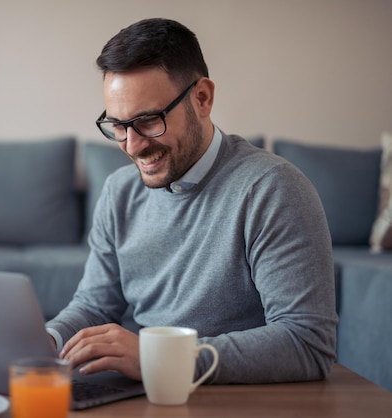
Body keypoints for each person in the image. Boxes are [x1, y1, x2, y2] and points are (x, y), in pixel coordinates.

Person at [45, 17, 338, 384]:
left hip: (230, 401)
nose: (132, 146)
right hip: (143, 394)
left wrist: (162, 359)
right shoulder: (119, 192)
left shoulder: (271, 189)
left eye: (149, 120)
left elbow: (307, 343)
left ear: (202, 98)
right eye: (117, 126)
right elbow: (94, 306)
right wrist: (46, 339)